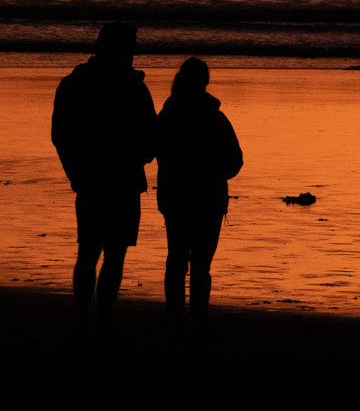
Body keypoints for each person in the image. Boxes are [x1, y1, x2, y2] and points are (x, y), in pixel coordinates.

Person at [51, 22, 157, 332]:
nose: (134, 54)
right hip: (121, 179)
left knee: (90, 250)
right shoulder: (133, 87)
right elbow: (150, 135)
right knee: (113, 253)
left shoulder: (75, 84)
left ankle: (84, 317)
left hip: (91, 179)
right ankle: (101, 319)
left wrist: (75, 171)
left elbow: (61, 135)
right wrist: (140, 157)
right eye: (131, 47)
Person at [156, 57, 244, 335]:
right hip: (208, 196)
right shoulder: (214, 117)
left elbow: (154, 150)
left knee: (177, 259)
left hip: (176, 195)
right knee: (201, 264)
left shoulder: (168, 115)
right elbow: (235, 161)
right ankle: (198, 321)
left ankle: (177, 321)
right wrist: (215, 175)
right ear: (205, 82)